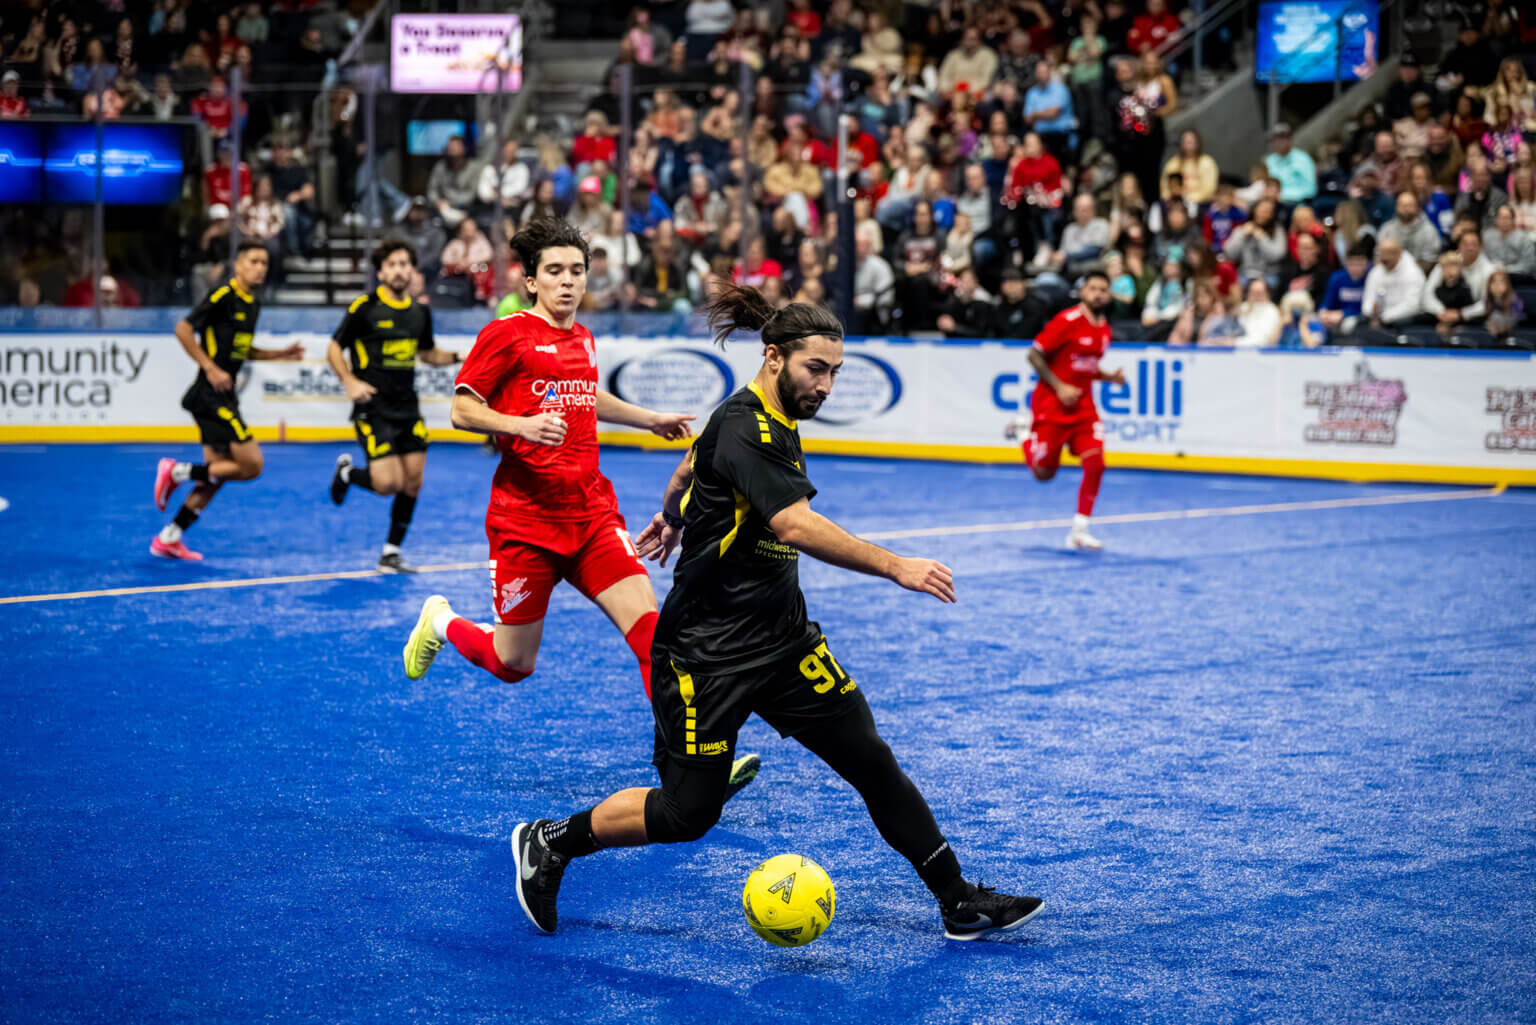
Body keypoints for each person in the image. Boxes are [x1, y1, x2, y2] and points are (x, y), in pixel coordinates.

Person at [506, 282, 1043, 942]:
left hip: (784, 641)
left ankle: (958, 900)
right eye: (816, 369)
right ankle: (550, 839)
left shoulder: (759, 418)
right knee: (686, 813)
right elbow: (793, 524)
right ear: (773, 358)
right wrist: (895, 565)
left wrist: (673, 515)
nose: (826, 385)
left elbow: (689, 466)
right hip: (705, 654)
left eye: (835, 372)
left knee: (871, 760)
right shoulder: (747, 426)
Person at [398, 219, 704, 720]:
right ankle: (441, 621)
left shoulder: (583, 338)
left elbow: (586, 393)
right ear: (531, 281)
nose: (567, 280)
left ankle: (696, 754)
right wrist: (520, 425)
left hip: (592, 516)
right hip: (525, 523)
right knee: (513, 663)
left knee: (654, 636)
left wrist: (648, 418)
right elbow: (462, 410)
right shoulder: (506, 334)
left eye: (576, 271)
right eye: (555, 271)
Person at [151, 241, 303, 560]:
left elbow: (243, 350)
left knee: (217, 474)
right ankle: (176, 471)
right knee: (252, 465)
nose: (260, 268)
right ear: (238, 265)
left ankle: (169, 537)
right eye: (253, 261)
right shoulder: (223, 295)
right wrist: (210, 368)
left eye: (264, 263)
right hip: (210, 395)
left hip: (224, 395)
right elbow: (183, 329)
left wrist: (280, 354)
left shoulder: (253, 304)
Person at [326, 241, 462, 572]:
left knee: (412, 482)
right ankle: (347, 473)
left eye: (405, 264)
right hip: (373, 408)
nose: (400, 270)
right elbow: (333, 348)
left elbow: (427, 353)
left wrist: (460, 356)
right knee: (387, 484)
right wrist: (349, 381)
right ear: (381, 272)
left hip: (408, 409)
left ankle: (391, 552)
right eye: (393, 264)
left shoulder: (420, 312)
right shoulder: (365, 308)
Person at [1004, 272, 1124, 550]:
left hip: (1083, 409)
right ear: (1083, 291)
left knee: (1096, 463)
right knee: (1043, 473)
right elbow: (1034, 355)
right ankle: (1023, 434)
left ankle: (1079, 530)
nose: (1098, 294)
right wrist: (1059, 387)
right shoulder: (1066, 321)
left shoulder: (1104, 329)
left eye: (1103, 289)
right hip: (1052, 406)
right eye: (1093, 288)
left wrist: (1109, 377)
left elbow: (1086, 367)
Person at [1362, 237, 1425, 329]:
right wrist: (1371, 311)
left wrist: (1384, 316)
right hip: (1378, 318)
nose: (1382, 260)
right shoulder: (1376, 272)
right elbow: (1368, 300)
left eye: (1386, 257)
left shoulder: (1413, 273)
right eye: (1380, 255)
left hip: (1405, 320)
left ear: (1398, 254)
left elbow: (1412, 306)